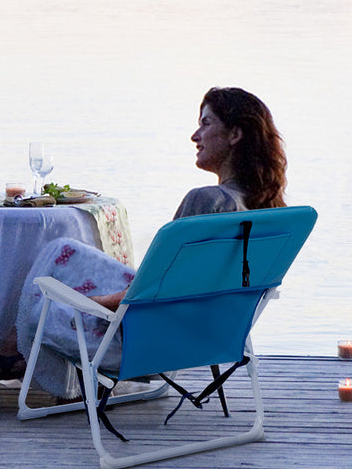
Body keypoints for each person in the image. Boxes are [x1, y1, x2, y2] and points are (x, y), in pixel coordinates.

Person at [16, 87, 288, 393]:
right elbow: (175, 285)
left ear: (235, 135)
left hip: (151, 343)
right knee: (63, 250)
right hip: (208, 336)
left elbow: (156, 291)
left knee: (40, 311)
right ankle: (20, 353)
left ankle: (17, 359)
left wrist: (93, 303)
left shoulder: (209, 202)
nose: (195, 136)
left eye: (206, 124)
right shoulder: (269, 213)